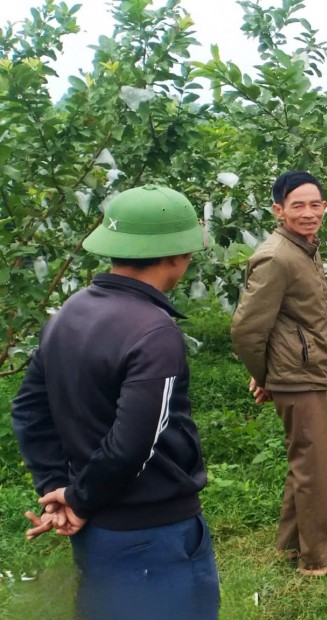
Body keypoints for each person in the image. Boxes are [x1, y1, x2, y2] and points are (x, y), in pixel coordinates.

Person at [10, 185, 219, 618]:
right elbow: (132, 445)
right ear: (178, 256)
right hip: (152, 532)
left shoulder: (68, 312)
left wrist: (56, 487)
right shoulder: (154, 333)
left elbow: (29, 410)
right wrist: (80, 500)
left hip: (101, 535)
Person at [230, 170, 327, 577]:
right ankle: (319, 559)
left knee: (303, 458)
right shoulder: (277, 256)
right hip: (296, 374)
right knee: (312, 465)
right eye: (298, 205)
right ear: (279, 209)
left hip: (299, 367)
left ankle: (290, 545)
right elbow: (246, 328)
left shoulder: (303, 247)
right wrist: (265, 376)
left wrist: (270, 372)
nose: (308, 213)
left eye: (315, 204)